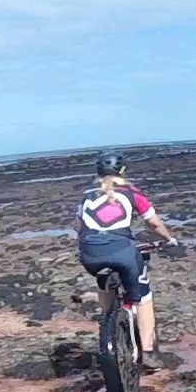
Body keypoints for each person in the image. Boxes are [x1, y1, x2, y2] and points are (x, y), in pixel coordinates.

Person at [76, 152, 178, 357]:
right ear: (123, 171)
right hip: (122, 252)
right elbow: (154, 223)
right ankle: (149, 352)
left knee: (102, 282)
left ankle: (107, 323)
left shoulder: (87, 195)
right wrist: (169, 239)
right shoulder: (131, 193)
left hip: (89, 255)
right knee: (143, 298)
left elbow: (78, 226)